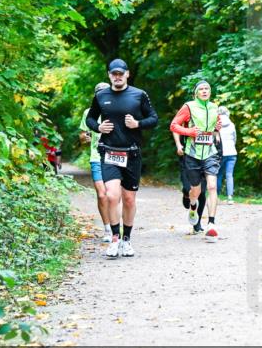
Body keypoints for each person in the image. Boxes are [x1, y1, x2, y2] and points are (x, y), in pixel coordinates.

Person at [85, 59, 159, 258]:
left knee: (128, 198)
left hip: (132, 152)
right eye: (113, 74)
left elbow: (154, 119)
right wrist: (98, 127)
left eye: (121, 73)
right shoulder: (101, 96)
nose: (117, 77)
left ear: (127, 74)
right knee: (111, 195)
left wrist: (137, 124)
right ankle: (115, 239)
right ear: (109, 75)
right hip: (109, 151)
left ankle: (127, 240)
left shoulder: (139, 95)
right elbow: (90, 118)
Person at [169, 80, 221, 241]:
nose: (205, 91)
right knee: (195, 191)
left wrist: (217, 130)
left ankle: (211, 224)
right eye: (201, 89)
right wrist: (189, 132)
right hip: (192, 154)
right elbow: (173, 126)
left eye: (207, 88)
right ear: (196, 93)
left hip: (210, 153)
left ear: (210, 92)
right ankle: (193, 206)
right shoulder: (189, 107)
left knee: (212, 186)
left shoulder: (214, 107)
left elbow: (215, 127)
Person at [79, 82, 114, 241]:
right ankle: (107, 229)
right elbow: (82, 135)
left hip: (114, 156)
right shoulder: (89, 112)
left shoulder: (116, 109)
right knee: (101, 194)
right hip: (96, 156)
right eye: (99, 93)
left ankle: (115, 227)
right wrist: (84, 138)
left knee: (113, 194)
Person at [174, 128, 207, 233]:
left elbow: (215, 130)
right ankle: (186, 193)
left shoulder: (209, 112)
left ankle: (197, 223)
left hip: (204, 157)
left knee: (201, 193)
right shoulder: (186, 112)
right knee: (189, 188)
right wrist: (178, 144)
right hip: (187, 157)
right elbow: (175, 127)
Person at [215, 106, 237, 204]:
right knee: (229, 175)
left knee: (218, 174)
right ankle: (230, 198)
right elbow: (234, 138)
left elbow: (215, 139)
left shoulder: (217, 124)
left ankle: (216, 197)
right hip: (232, 152)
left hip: (221, 153)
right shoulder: (232, 124)